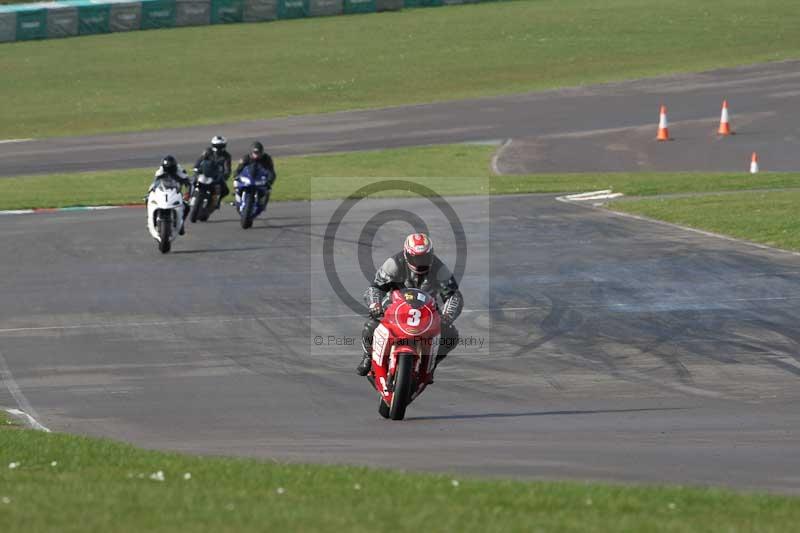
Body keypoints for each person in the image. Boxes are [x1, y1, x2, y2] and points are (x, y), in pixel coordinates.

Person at [356, 233, 463, 376]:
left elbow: (454, 295)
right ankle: (368, 356)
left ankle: (431, 363)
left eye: (424, 257)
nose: (420, 262)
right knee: (372, 325)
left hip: (427, 311)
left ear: (431, 255)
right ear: (407, 254)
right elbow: (375, 287)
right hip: (395, 308)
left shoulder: (439, 269)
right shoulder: (394, 263)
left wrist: (447, 316)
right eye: (416, 258)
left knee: (451, 335)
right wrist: (375, 305)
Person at [148, 155, 191, 235]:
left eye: (171, 169)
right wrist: (150, 192)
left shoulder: (180, 171)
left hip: (176, 192)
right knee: (148, 200)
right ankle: (151, 220)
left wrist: (187, 194)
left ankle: (181, 223)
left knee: (187, 206)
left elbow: (188, 183)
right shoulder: (160, 171)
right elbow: (155, 182)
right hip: (163, 191)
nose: (169, 171)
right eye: (167, 169)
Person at [233, 141, 277, 210]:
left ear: (262, 152)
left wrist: (269, 181)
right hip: (247, 179)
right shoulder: (246, 158)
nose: (257, 155)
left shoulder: (267, 159)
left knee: (268, 189)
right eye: (255, 153)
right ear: (251, 152)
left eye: (258, 153)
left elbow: (271, 172)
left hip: (259, 179)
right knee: (236, 184)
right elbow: (238, 169)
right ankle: (237, 199)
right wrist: (236, 175)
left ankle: (262, 203)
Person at [194, 135, 232, 207]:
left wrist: (225, 175)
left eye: (220, 146)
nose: (219, 148)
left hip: (216, 176)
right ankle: (189, 195)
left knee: (225, 191)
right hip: (204, 173)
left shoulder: (226, 156)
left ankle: (216, 201)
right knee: (192, 180)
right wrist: (196, 168)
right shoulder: (208, 151)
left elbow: (227, 168)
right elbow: (200, 160)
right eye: (217, 146)